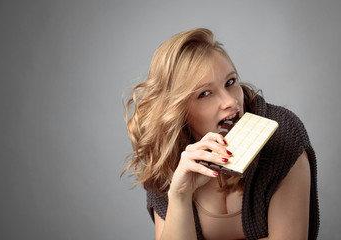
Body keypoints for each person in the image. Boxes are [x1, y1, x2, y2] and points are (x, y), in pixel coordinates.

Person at [123, 28, 319, 240]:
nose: (231, 101)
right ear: (177, 111)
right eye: (204, 94)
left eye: (230, 82)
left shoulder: (281, 135)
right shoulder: (166, 157)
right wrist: (180, 196)